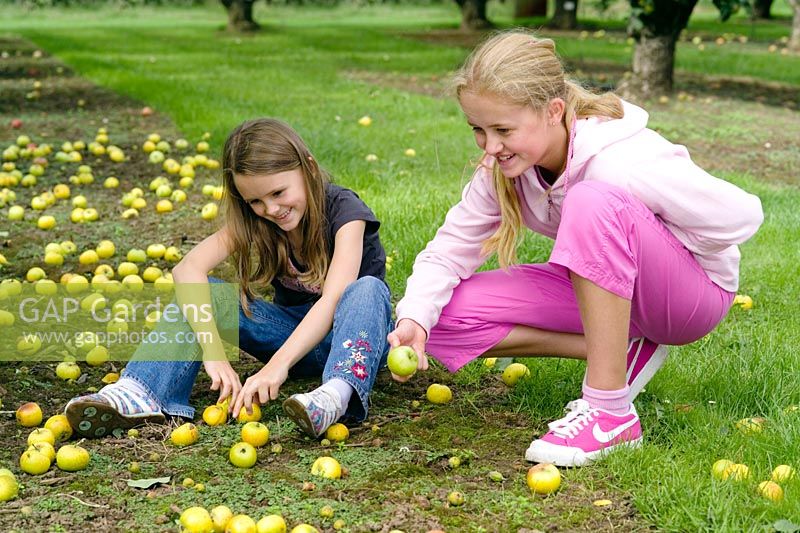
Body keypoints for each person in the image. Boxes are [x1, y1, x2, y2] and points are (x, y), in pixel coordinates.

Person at [387, 30, 763, 467]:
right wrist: (415, 316)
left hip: (689, 298)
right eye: (478, 129)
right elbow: (451, 248)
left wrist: (650, 241)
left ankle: (610, 413)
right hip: (606, 293)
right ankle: (618, 347)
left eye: (503, 130)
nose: (490, 147)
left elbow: (742, 216)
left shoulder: (617, 160)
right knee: (441, 315)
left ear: (553, 111)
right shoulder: (506, 169)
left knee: (593, 199)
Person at [65, 118, 392, 439]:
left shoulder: (345, 211)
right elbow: (187, 270)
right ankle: (141, 389)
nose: (271, 209)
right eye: (256, 201)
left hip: (353, 342)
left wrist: (275, 367)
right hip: (291, 338)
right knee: (200, 291)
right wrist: (213, 351)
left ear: (307, 167)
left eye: (278, 192)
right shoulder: (258, 220)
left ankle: (335, 395)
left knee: (367, 289)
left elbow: (333, 300)